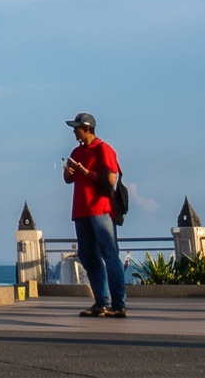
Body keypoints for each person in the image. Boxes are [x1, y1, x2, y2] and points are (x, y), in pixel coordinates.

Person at [61, 112, 125, 318]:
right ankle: (101, 302)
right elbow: (68, 180)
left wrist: (85, 171)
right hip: (81, 211)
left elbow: (110, 180)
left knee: (110, 254)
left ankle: (118, 304)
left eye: (76, 128)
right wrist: (70, 172)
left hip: (101, 210)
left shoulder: (103, 149)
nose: (74, 131)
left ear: (87, 129)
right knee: (88, 256)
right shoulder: (76, 152)